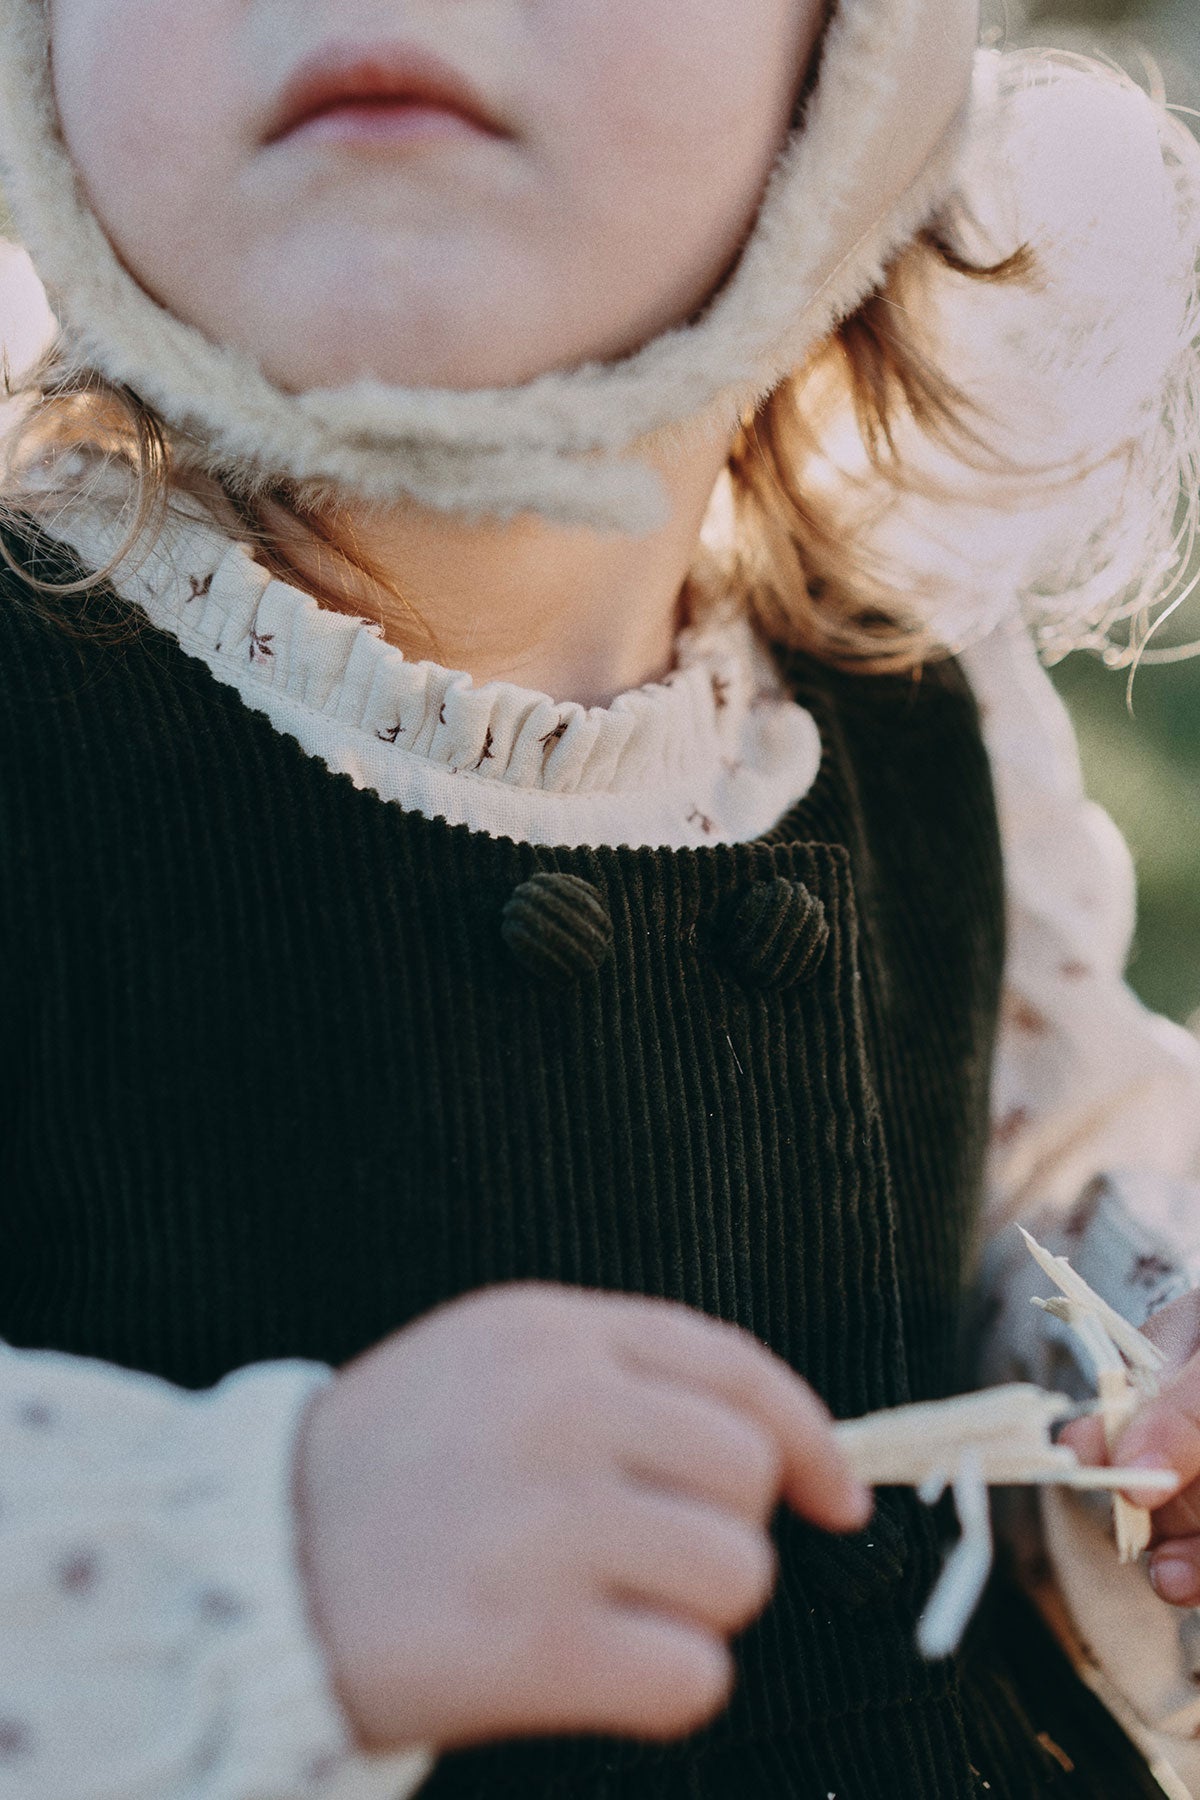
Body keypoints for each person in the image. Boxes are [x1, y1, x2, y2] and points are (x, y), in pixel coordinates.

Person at [0, 0, 1199, 1794]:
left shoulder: (906, 719)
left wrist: (1145, 1381)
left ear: (852, 67)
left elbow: (1036, 1207)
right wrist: (254, 1564)